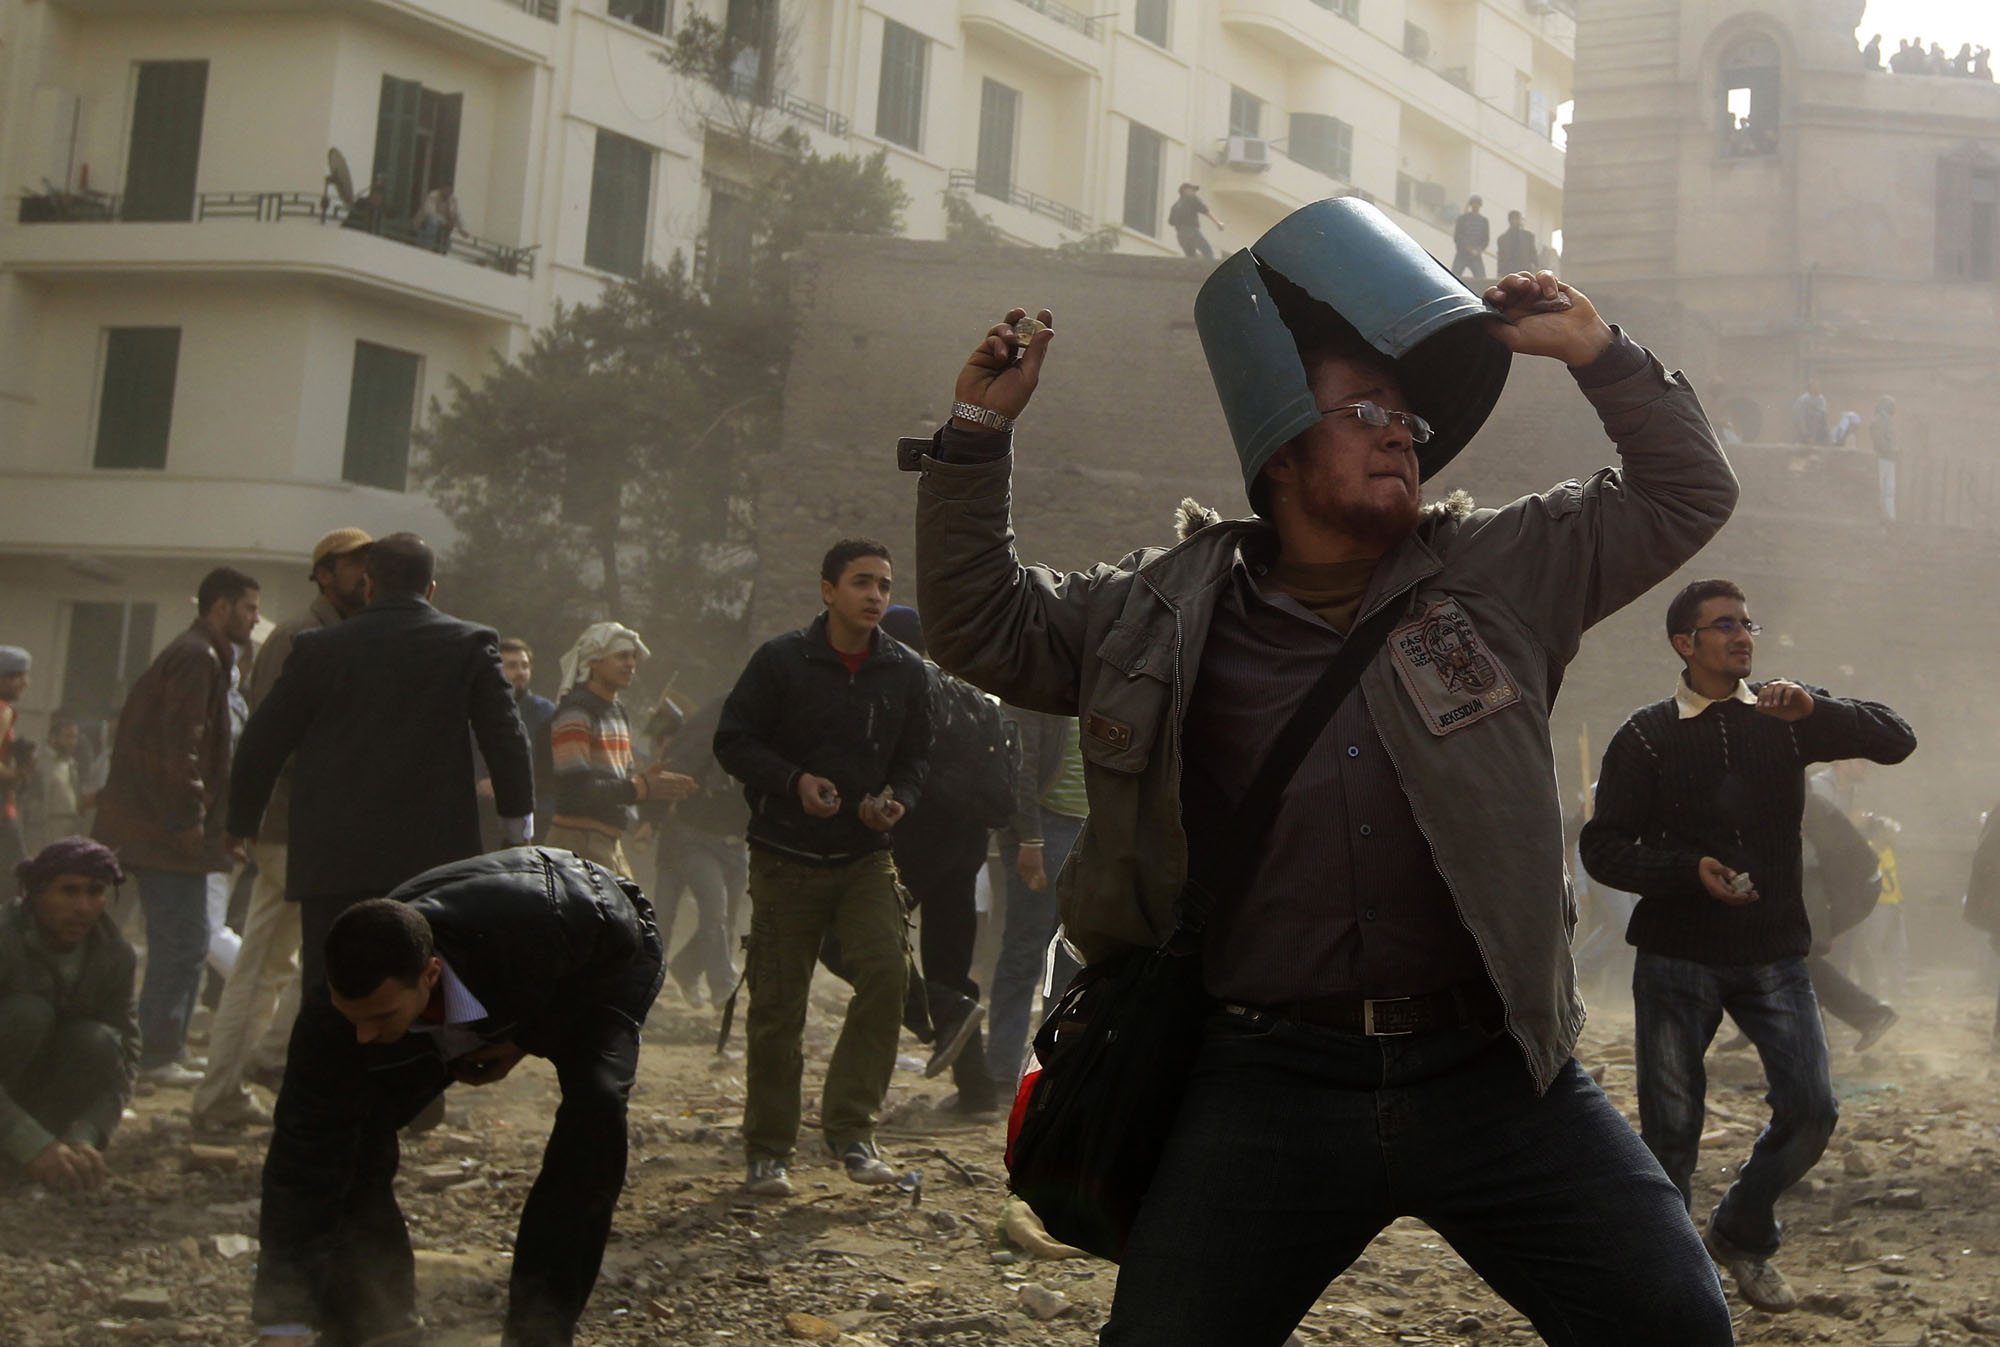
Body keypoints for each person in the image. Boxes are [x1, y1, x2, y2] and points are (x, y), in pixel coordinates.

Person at [910, 200, 1740, 1342]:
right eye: (1366, 413)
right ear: (1282, 450)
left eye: (1408, 418)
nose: (1403, 436)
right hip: (1264, 1083)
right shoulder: (1157, 610)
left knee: (1676, 1325)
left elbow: (1685, 494)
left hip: (1495, 1073)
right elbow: (982, 626)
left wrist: (1601, 356)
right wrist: (973, 436)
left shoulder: (1501, 571)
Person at [1580, 578, 1916, 1313]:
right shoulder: (1647, 734)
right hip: (1676, 955)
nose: (1742, 635)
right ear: (1685, 643)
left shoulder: (1786, 715)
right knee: (1672, 1131)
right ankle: (1670, 1286)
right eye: (1724, 624)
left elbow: (1897, 738)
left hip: (1774, 953)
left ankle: (1741, 1229)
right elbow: (1602, 847)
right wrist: (1686, 872)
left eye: (1746, 623)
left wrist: (1819, 708)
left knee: (1813, 1108)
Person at [251, 849, 664, 1346]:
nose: (363, 1035)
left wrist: (527, 1037)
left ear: (429, 975)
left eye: (380, 1017)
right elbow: (300, 1157)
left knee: (595, 1111)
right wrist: (283, 1320)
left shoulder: (541, 922)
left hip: (601, 960)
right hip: (484, 992)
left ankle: (539, 1331)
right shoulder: (333, 1016)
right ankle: (379, 1324)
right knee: (350, 1138)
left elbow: (622, 938)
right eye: (353, 1017)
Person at [713, 538, 933, 1198]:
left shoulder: (905, 671)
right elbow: (733, 740)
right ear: (828, 590)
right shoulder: (781, 660)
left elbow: (916, 760)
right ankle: (768, 1149)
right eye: (862, 582)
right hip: (786, 857)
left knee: (888, 975)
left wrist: (895, 800)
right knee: (778, 1006)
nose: (875, 595)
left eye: (884, 585)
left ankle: (852, 1130)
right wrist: (794, 781)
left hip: (866, 857)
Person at [226, 533, 534, 992]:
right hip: (432, 862)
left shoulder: (319, 648)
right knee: (422, 991)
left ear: (369, 585)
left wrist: (241, 822)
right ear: (431, 589)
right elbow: (506, 737)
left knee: (332, 994)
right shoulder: (468, 644)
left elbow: (263, 739)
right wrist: (517, 824)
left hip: (333, 863)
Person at [192, 527, 371, 1130]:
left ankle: (246, 1075)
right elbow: (274, 736)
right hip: (292, 824)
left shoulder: (341, 633)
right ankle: (228, 1087)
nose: (364, 575)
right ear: (323, 573)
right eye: (352, 564)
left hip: (313, 827)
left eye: (369, 564)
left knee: (282, 962)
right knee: (269, 964)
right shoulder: (299, 635)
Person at [94, 566, 260, 1084]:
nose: (254, 620)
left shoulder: (203, 655)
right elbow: (179, 746)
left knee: (182, 941)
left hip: (160, 827)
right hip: (165, 832)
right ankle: (156, 1054)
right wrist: (186, 818)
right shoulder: (197, 657)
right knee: (182, 942)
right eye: (249, 608)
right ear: (221, 607)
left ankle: (167, 1046)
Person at [0, 838, 138, 1193]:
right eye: (69, 891)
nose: (84, 907)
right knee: (28, 1015)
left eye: (96, 892)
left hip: (39, 1100)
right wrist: (29, 1142)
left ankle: (46, 1151)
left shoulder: (114, 955)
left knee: (100, 1041)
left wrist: (86, 1134)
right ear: (36, 894)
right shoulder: (5, 939)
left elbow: (125, 1060)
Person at [988, 701, 1087, 1097]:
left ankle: (1047, 1074)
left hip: (1091, 831)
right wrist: (1029, 838)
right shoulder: (1040, 690)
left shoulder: (1105, 687)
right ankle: (1001, 1074)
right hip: (1046, 829)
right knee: (1024, 953)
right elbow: (1020, 767)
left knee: (1069, 960)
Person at [544, 622, 694, 879]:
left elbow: (621, 782)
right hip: (576, 843)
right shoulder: (576, 712)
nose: (630, 664)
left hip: (608, 843)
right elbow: (575, 788)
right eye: (622, 656)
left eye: (633, 657)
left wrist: (649, 788)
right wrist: (640, 787)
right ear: (594, 662)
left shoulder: (617, 711)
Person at [648, 695, 750, 1008]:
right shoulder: (714, 722)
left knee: (725, 917)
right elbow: (677, 768)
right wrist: (651, 819)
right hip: (695, 837)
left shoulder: (770, 735)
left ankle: (686, 968)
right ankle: (722, 987)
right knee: (706, 909)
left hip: (736, 842)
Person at [478, 637, 557, 852]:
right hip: (484, 816)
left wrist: (504, 783)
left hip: (534, 816)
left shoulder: (546, 714)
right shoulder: (479, 709)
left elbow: (551, 771)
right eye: (512, 666)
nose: (520, 672)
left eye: (525, 666)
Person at [0, 646, 31, 880]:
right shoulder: (2, 709)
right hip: (2, 812)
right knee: (18, 880)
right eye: (17, 676)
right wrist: (19, 773)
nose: (25, 683)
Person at [1168, 183, 1224, 261]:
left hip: (1181, 236)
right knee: (1208, 252)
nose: (1194, 192)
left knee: (1191, 257)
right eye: (1192, 190)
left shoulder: (1175, 206)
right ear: (1185, 190)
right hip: (1192, 232)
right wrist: (1218, 223)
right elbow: (1205, 211)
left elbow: (1171, 222)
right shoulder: (1192, 199)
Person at [1449, 195, 1489, 280]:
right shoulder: (1462, 219)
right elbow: (1457, 237)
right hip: (1462, 254)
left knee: (1482, 279)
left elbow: (1486, 240)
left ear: (1480, 205)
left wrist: (1479, 249)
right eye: (1474, 203)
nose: (1476, 205)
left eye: (1477, 203)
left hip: (1476, 255)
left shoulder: (1484, 221)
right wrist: (1468, 248)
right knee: (1453, 277)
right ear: (1471, 204)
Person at [1869, 395, 1896, 520]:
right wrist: (1889, 450)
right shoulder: (1879, 420)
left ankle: (1891, 516)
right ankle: (1879, 515)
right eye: (1892, 405)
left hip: (1889, 459)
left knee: (1890, 490)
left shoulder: (1888, 421)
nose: (1894, 408)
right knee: (1880, 488)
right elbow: (1878, 440)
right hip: (1881, 458)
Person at [416, 181, 463, 252]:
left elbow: (456, 214)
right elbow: (430, 212)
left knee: (448, 231)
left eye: (450, 191)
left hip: (442, 226)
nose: (448, 193)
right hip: (424, 223)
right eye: (447, 190)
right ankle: (428, 247)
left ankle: (442, 250)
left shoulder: (452, 199)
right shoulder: (433, 195)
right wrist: (445, 221)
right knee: (432, 222)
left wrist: (461, 228)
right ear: (442, 189)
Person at [1494, 209, 1538, 276]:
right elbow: (1501, 257)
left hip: (1524, 270)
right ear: (1509, 220)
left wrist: (1535, 266)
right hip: (1508, 271)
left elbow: (1533, 252)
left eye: (1517, 218)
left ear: (1520, 220)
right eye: (1513, 218)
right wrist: (1499, 271)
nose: (1515, 221)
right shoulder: (1502, 239)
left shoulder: (1528, 236)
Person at [1791, 378, 1828, 444]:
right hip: (1807, 426)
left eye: (1818, 386)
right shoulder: (1803, 399)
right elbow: (1799, 416)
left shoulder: (1821, 399)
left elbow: (1823, 412)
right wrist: (1806, 434)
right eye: (1814, 386)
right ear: (1810, 388)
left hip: (1819, 429)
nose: (1817, 388)